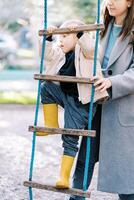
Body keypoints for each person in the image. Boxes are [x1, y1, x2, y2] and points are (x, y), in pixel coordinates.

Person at [69, 0, 134, 200]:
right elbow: (85, 54)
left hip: (120, 108)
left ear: (130, 2)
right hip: (95, 106)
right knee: (85, 160)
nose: (110, 1)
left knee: (125, 171)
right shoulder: (99, 29)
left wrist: (112, 82)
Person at [38, 19, 108, 189]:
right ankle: (50, 122)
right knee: (46, 87)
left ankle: (63, 177)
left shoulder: (86, 53)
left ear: (77, 37)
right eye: (59, 37)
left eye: (65, 36)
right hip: (66, 96)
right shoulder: (60, 52)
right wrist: (48, 38)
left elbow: (91, 49)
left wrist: (81, 33)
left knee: (70, 137)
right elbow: (46, 56)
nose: (60, 40)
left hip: (81, 103)